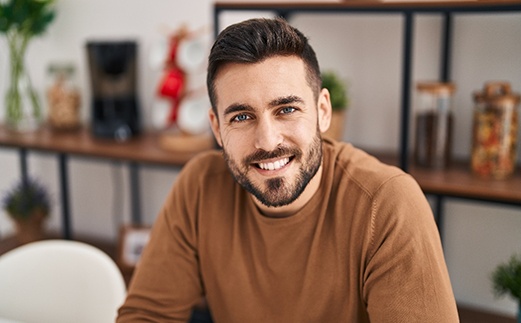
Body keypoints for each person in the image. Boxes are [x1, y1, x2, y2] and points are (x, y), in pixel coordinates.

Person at [117, 17, 459, 322]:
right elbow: (146, 316)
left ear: (323, 111)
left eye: (286, 109)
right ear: (217, 129)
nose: (267, 141)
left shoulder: (387, 203)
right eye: (241, 117)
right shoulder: (200, 186)